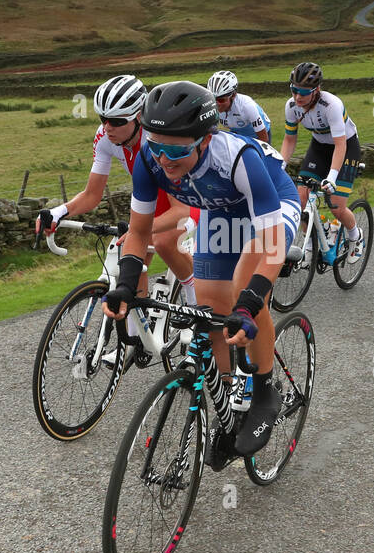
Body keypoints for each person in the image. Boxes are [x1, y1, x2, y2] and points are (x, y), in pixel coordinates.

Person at [102, 80, 301, 460]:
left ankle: (263, 391)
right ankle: (227, 406)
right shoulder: (149, 158)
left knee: (244, 289)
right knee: (211, 311)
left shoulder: (239, 157)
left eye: (176, 150)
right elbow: (138, 232)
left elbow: (271, 248)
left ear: (206, 140)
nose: (163, 160)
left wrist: (249, 302)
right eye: (156, 147)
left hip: (270, 204)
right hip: (218, 209)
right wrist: (127, 284)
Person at [36, 74, 196, 308]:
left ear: (139, 118)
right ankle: (137, 341)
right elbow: (92, 195)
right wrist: (59, 212)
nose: (107, 127)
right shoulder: (104, 137)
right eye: (103, 119)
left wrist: (138, 231)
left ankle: (196, 303)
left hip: (187, 201)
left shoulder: (157, 142)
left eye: (117, 121)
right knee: (130, 265)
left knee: (162, 242)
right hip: (150, 200)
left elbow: (181, 210)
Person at [277, 61, 365, 265]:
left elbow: (340, 145)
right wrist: (278, 166)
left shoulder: (331, 105)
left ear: (316, 90)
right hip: (319, 147)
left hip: (345, 146)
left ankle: (355, 235)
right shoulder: (291, 107)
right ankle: (311, 243)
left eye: (303, 92)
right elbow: (289, 139)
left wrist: (332, 178)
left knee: (335, 205)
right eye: (294, 90)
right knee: (299, 201)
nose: (298, 96)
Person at [207, 69, 271, 144]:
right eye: (213, 99)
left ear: (233, 95)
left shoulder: (247, 106)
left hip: (258, 135)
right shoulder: (210, 105)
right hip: (238, 133)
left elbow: (264, 140)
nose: (217, 104)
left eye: (221, 100)